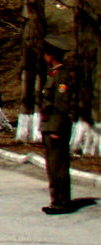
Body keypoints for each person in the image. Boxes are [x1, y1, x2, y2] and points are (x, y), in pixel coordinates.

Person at [40, 36, 76, 215]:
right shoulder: (53, 75)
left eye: (46, 54)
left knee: (58, 166)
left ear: (51, 55)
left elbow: (62, 106)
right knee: (52, 166)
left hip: (56, 128)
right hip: (49, 126)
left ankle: (62, 203)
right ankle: (57, 200)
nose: (44, 57)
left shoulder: (62, 77)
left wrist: (56, 129)